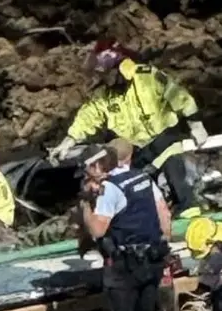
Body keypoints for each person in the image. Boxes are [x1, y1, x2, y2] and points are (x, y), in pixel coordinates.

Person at [49, 40, 206, 217]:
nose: (104, 79)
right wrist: (68, 142)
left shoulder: (149, 78)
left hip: (165, 140)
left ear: (122, 69)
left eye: (108, 74)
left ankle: (189, 209)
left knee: (175, 169)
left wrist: (196, 124)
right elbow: (87, 118)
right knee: (134, 186)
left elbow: (179, 97)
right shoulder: (103, 96)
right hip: (136, 151)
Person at [79, 139, 172, 311]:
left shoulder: (111, 189)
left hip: (125, 267)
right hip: (152, 260)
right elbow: (165, 221)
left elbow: (98, 230)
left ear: (98, 165)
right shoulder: (143, 178)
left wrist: (87, 203)